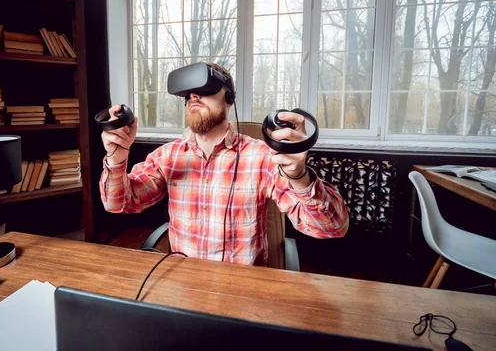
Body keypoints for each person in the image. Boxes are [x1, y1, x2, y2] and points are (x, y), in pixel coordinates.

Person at [100, 63, 348, 266]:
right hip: (184, 290)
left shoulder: (261, 158)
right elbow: (118, 203)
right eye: (188, 94)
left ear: (229, 99)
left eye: (204, 89)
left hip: (241, 294)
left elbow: (331, 228)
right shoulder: (168, 157)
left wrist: (298, 176)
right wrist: (117, 159)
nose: (193, 96)